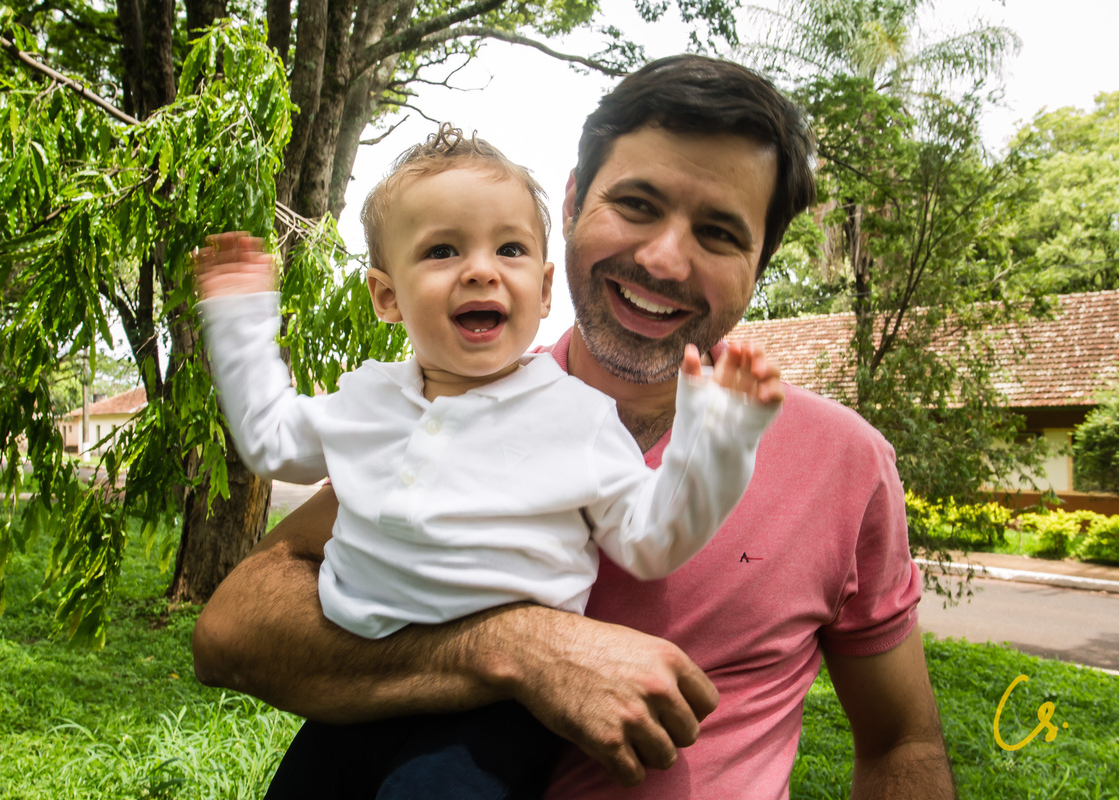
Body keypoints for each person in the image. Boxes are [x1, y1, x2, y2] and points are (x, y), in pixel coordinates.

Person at [192, 55, 955, 800]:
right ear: (572, 203)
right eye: (638, 204)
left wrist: (718, 438)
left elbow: (903, 743)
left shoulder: (842, 462)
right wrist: (519, 647)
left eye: (720, 232)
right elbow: (231, 631)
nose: (665, 259)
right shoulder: (431, 407)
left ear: (761, 262)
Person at [193, 124, 782, 799]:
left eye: (510, 248)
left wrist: (718, 439)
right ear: (386, 296)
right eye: (442, 250)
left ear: (544, 287)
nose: (481, 270)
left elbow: (653, 540)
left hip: (491, 716)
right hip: (358, 685)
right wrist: (240, 319)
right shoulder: (365, 400)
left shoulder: (578, 417)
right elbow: (270, 441)